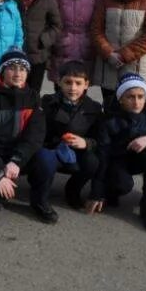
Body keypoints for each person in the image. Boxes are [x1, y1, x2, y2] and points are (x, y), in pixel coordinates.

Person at [0, 49, 55, 223]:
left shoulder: (33, 97)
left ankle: (40, 201)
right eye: (12, 68)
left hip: (19, 158)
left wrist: (16, 160)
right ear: (2, 71)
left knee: (47, 158)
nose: (18, 73)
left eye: (23, 69)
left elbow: (36, 135)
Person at [86, 73, 146, 233]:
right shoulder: (109, 119)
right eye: (130, 97)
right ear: (120, 99)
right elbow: (102, 155)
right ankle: (110, 192)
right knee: (123, 185)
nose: (137, 102)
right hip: (116, 161)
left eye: (141, 96)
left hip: (139, 159)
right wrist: (96, 193)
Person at [38, 60, 104, 209]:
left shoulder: (93, 108)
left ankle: (73, 189)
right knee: (44, 159)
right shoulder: (48, 102)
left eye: (78, 83)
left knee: (92, 162)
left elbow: (99, 138)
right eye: (68, 82)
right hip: (53, 148)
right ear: (59, 82)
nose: (73, 88)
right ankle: (40, 192)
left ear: (86, 84)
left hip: (77, 151)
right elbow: (39, 131)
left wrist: (86, 142)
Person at [47, 0, 102, 88]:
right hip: (62, 49)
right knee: (60, 89)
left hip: (86, 49)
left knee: (80, 90)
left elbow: (99, 22)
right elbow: (51, 20)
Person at [10, 0, 62, 93]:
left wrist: (43, 41)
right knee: (13, 92)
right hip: (15, 54)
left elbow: (57, 26)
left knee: (32, 94)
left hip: (37, 57)